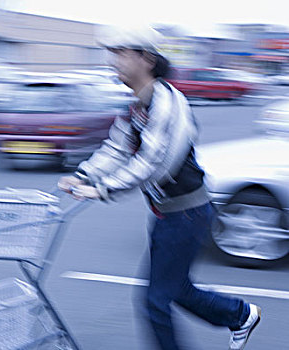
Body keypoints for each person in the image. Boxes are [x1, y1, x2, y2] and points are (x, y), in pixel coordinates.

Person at [58, 25, 261, 350]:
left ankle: (238, 315)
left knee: (156, 300)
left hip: (187, 214)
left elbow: (154, 162)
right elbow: (116, 148)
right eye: (112, 54)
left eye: (121, 54)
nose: (113, 62)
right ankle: (240, 315)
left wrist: (105, 189)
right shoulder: (138, 105)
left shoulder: (167, 104)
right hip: (170, 214)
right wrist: (84, 175)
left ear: (147, 59)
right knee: (174, 289)